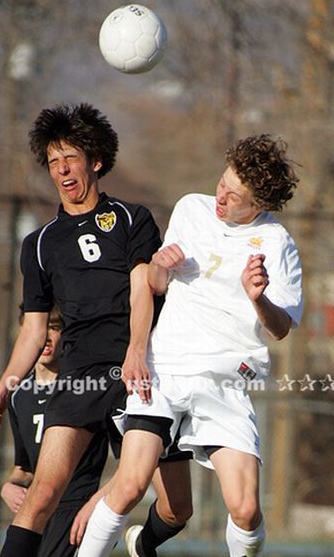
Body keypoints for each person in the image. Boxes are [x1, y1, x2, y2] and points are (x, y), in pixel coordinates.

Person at [78, 134, 303, 557]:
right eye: (222, 183)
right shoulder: (190, 208)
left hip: (224, 383)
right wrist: (160, 266)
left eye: (234, 196)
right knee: (129, 485)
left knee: (246, 509)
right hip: (165, 370)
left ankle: (145, 543)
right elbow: (156, 284)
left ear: (259, 205)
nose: (221, 197)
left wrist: (258, 298)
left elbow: (280, 329)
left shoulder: (277, 243)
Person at [0, 103, 164, 557]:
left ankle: (146, 539)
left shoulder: (132, 218)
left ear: (96, 160)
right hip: (80, 376)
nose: (61, 169)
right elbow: (33, 330)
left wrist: (136, 351)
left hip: (138, 372)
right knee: (42, 493)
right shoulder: (39, 244)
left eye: (70, 158)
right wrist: (1, 393)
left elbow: (142, 292)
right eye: (53, 161)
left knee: (174, 506)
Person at [1, 305, 109, 557]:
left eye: (54, 328)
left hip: (75, 511)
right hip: (36, 511)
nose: (46, 337)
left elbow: (130, 467)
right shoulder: (18, 395)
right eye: (39, 328)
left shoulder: (87, 390)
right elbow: (24, 469)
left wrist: (98, 505)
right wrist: (8, 487)